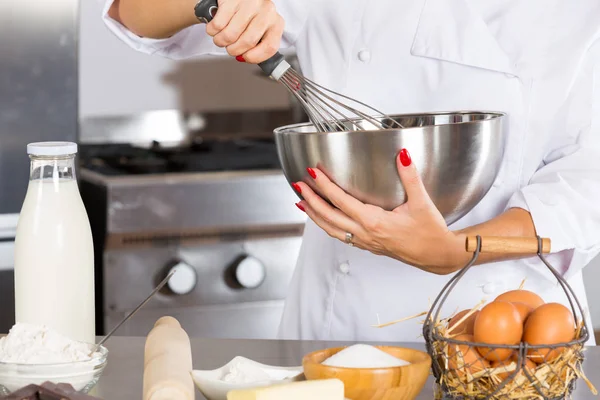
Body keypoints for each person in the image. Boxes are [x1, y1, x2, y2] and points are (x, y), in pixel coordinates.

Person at [100, 0, 600, 343]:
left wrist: (457, 250)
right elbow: (133, 15)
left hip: (502, 332)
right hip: (334, 324)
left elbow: (586, 184)